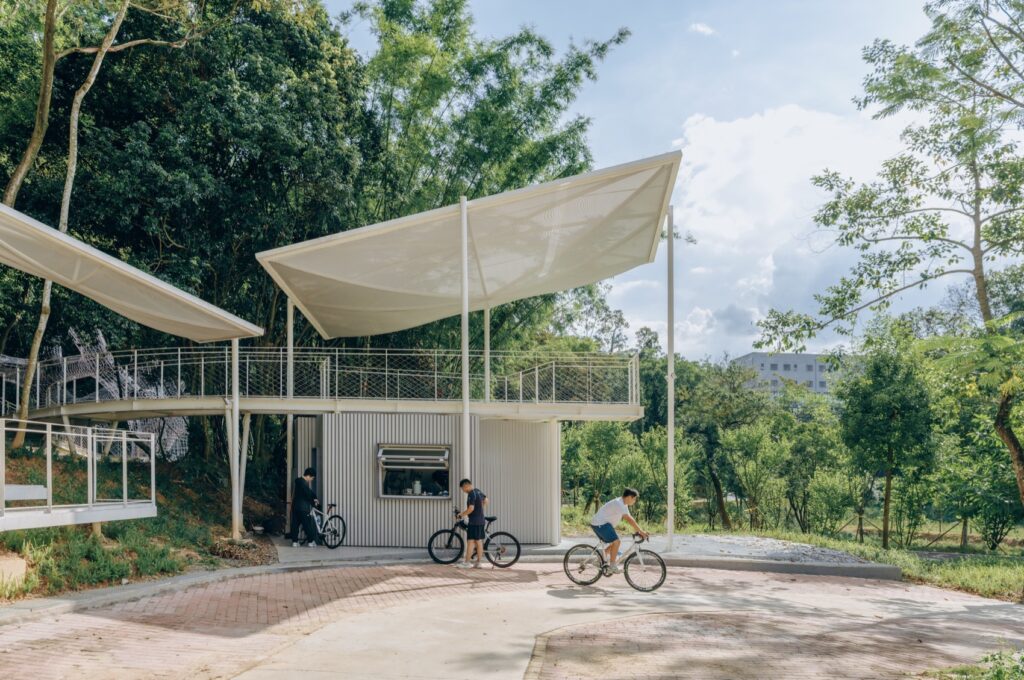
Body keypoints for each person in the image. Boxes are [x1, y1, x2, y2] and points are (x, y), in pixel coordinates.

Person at [590, 488, 648, 573]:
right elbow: (628, 519)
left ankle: (598, 560)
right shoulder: (619, 503)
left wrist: (638, 530)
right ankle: (612, 566)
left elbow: (630, 518)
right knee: (617, 542)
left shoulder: (623, 504)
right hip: (600, 524)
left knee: (614, 544)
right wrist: (641, 531)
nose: (635, 501)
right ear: (629, 497)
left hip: (604, 524)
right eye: (634, 499)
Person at [455, 478, 487, 569]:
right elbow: (486, 500)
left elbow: (471, 508)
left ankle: (467, 563)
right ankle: (478, 563)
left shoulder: (471, 494)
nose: (463, 491)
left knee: (470, 542)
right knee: (478, 541)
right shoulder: (478, 491)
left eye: (462, 489)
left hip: (474, 521)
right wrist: (480, 511)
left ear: (466, 486)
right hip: (480, 520)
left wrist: (461, 514)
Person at [290, 467, 320, 548]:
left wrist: (314, 497)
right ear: (309, 476)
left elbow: (309, 491)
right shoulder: (303, 483)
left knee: (295, 524)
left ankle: (295, 542)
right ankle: (311, 542)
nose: (311, 480)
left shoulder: (299, 482)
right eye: (312, 478)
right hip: (303, 508)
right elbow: (307, 494)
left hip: (295, 507)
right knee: (307, 525)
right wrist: (314, 501)